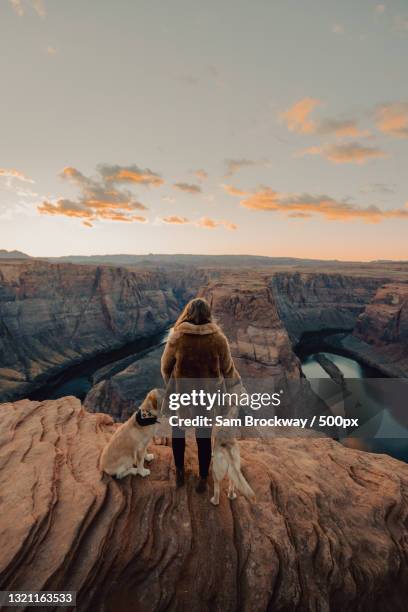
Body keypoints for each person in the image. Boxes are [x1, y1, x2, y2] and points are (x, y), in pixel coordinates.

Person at [161, 297, 241, 493]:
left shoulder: (177, 337)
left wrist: (173, 385)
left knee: (178, 433)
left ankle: (179, 473)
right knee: (203, 437)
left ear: (187, 313)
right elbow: (228, 369)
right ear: (208, 315)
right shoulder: (219, 339)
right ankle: (203, 479)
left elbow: (165, 366)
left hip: (182, 395)